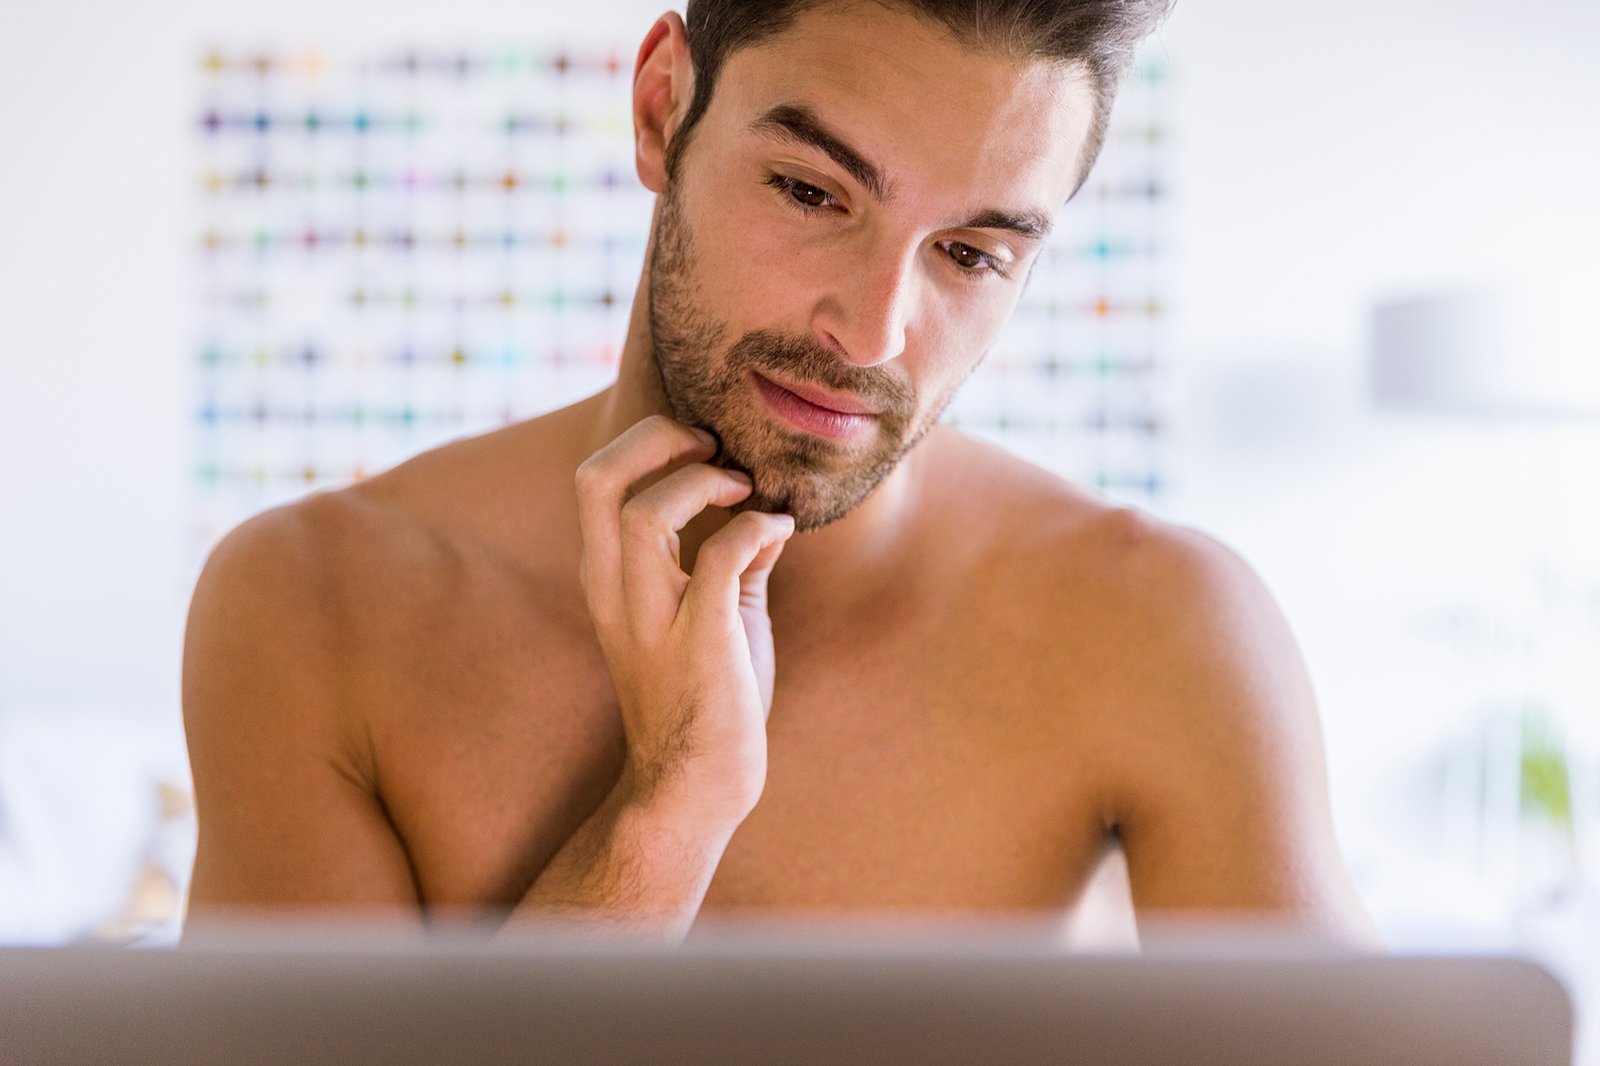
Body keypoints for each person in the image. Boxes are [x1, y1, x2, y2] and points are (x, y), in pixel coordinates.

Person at [181, 0, 1379, 947]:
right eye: (813, 191)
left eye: (969, 254)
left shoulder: (1159, 629)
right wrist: (668, 813)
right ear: (661, 110)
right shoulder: (312, 605)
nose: (871, 331)